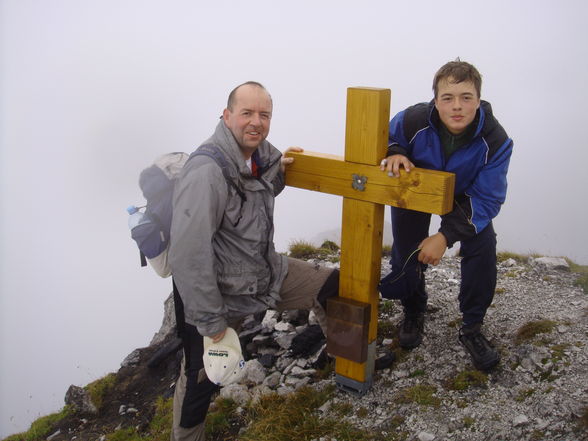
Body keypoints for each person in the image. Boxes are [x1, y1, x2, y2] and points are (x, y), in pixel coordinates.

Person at [168, 81, 339, 441]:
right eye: (247, 113)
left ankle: (343, 363)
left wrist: (281, 168)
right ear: (226, 115)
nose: (256, 122)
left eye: (264, 114)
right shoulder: (206, 172)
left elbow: (256, 191)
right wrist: (212, 322)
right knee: (201, 377)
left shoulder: (260, 155)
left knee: (333, 286)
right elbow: (187, 255)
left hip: (264, 272)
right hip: (219, 293)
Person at [379, 60, 513, 371]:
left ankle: (472, 327)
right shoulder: (413, 120)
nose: (457, 106)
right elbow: (388, 134)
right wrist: (394, 151)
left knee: (482, 249)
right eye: (447, 98)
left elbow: (488, 197)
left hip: (466, 198)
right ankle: (413, 307)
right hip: (417, 188)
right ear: (435, 100)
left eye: (466, 97)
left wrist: (445, 236)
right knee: (405, 250)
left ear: (478, 100)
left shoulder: (495, 140)